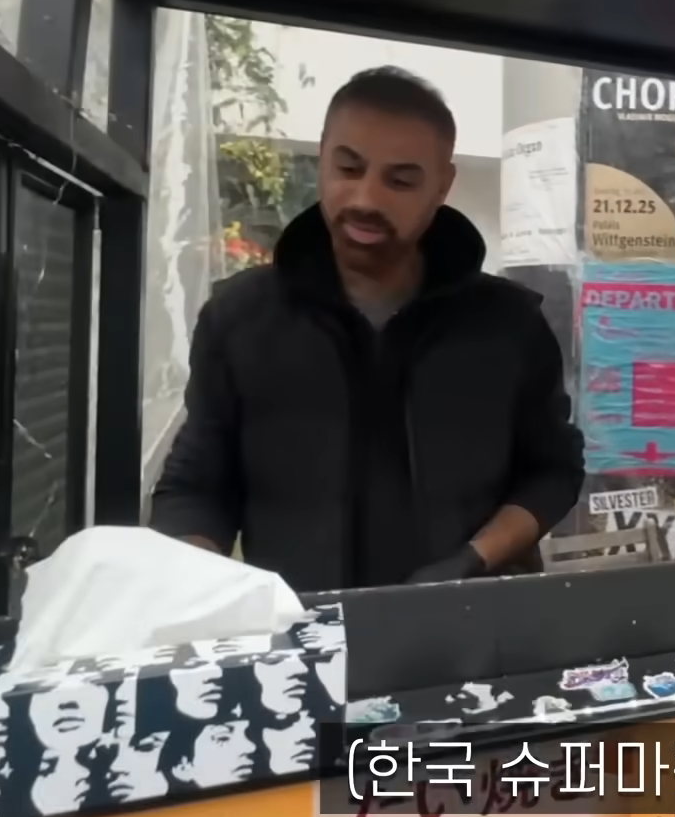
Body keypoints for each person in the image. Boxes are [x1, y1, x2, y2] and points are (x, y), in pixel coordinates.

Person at [151, 67, 585, 590]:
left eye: (400, 181)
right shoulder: (239, 317)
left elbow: (553, 471)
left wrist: (473, 560)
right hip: (299, 623)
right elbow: (194, 487)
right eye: (349, 168)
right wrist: (208, 587)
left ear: (442, 186)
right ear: (322, 159)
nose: (366, 199)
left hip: (473, 617)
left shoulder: (509, 324)